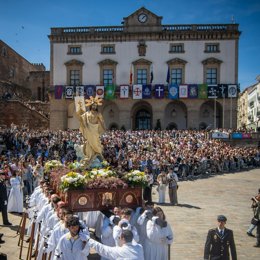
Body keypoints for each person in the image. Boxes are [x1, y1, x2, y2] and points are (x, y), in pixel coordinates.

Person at [76, 96, 106, 163]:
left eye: (95, 105)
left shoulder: (98, 113)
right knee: (89, 142)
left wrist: (104, 128)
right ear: (91, 106)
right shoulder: (87, 114)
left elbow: (102, 121)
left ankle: (97, 153)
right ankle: (89, 156)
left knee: (95, 142)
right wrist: (79, 109)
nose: (94, 107)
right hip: (88, 129)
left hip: (94, 130)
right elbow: (81, 118)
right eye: (93, 105)